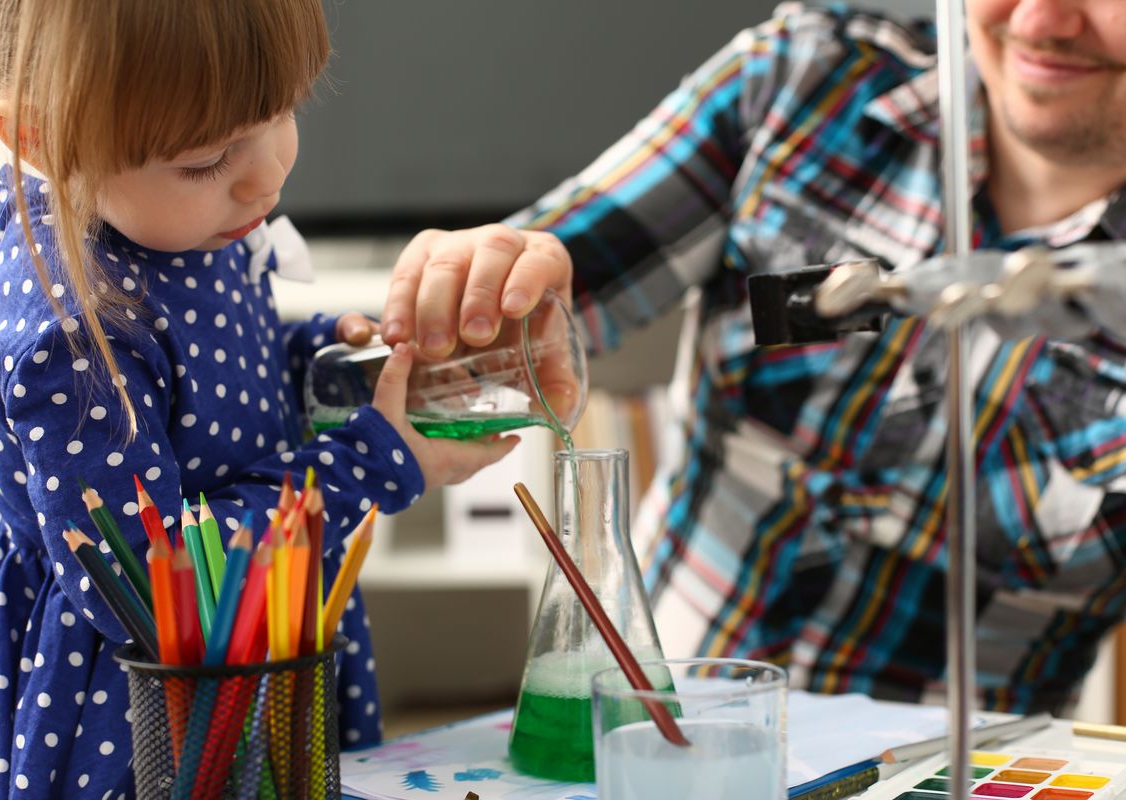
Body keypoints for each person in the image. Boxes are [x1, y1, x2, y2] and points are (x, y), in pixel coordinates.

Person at [380, 0, 1126, 716]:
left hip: (944, 773)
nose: (1039, 20)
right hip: (651, 743)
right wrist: (489, 295)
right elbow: (529, 314)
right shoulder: (802, 81)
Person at [0, 1, 517, 797]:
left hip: (266, 640)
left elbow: (222, 386)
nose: (267, 173)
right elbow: (158, 589)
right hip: (145, 707)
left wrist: (324, 362)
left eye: (280, 114)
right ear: (41, 138)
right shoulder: (67, 333)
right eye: (207, 157)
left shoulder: (188, 220)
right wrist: (375, 463)